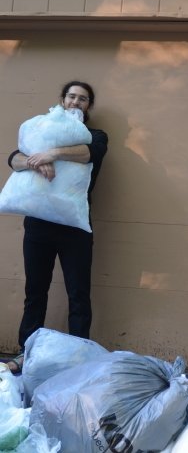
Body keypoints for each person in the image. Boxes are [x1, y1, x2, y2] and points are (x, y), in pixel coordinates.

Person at [6, 80, 108, 373]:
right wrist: (35, 162)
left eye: (83, 99)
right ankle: (26, 355)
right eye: (71, 97)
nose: (76, 102)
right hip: (38, 227)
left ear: (89, 106)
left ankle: (78, 359)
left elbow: (91, 153)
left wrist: (54, 154)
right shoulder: (41, 131)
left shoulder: (96, 136)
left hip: (75, 229)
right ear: (62, 100)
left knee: (79, 294)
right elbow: (14, 158)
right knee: (35, 292)